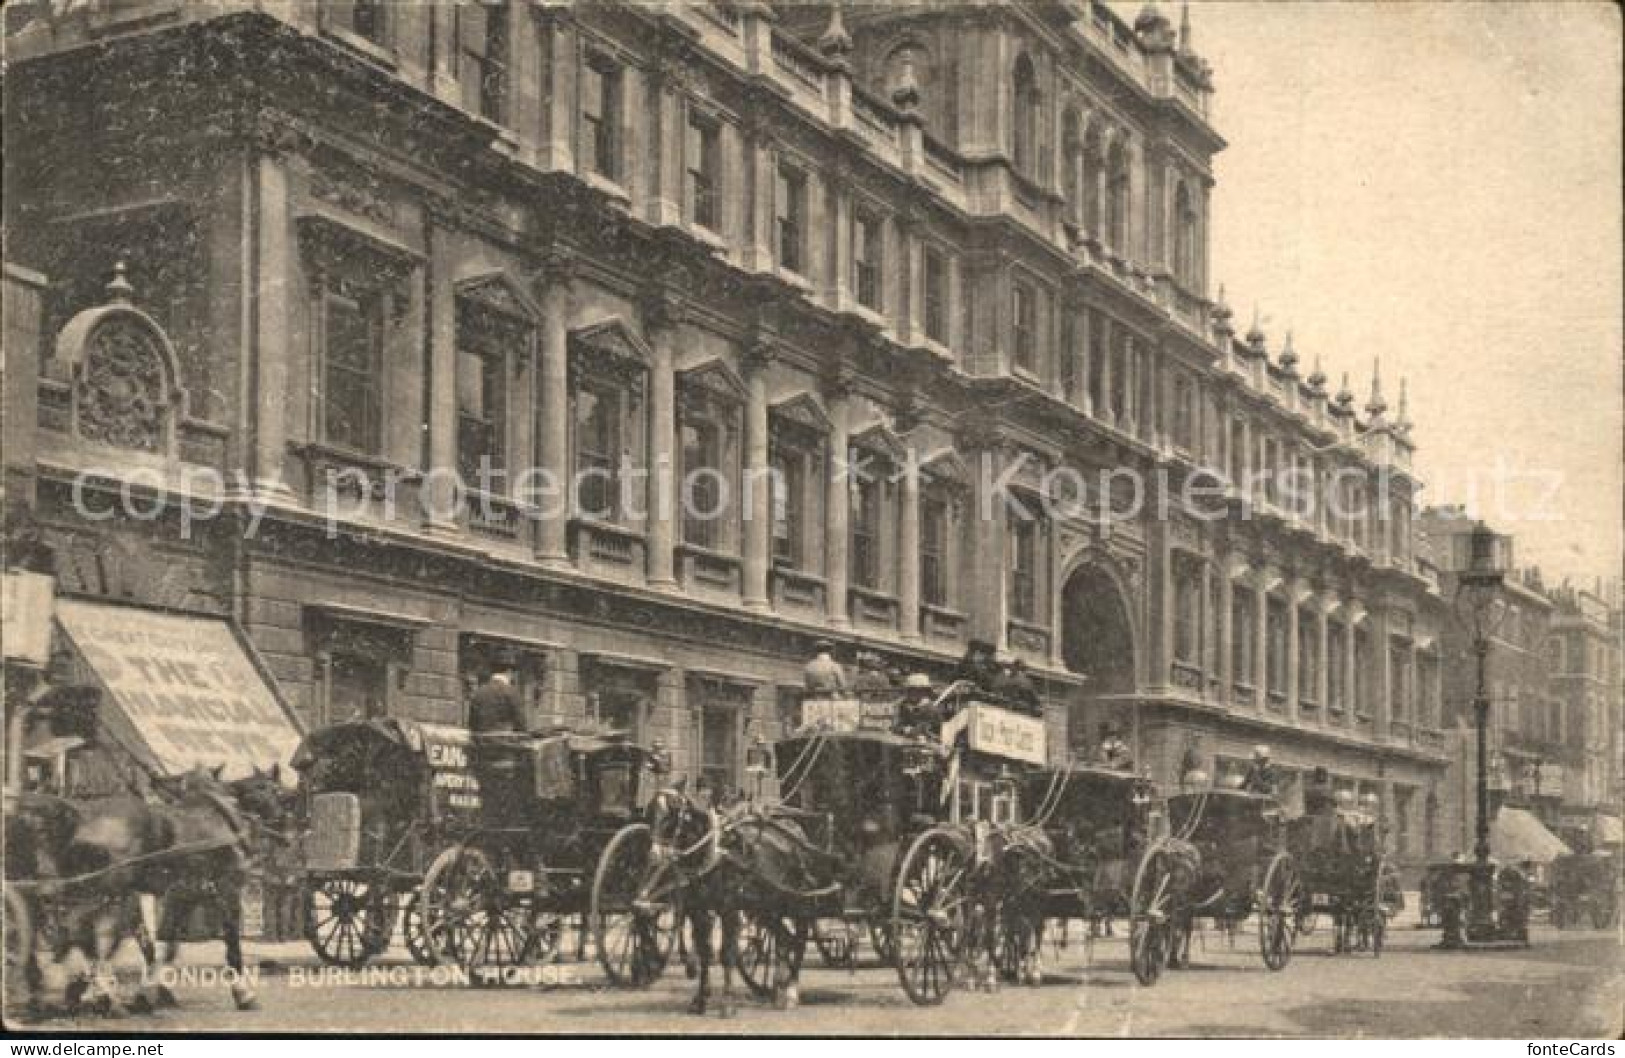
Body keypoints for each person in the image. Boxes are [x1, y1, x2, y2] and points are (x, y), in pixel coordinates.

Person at [468, 649, 525, 734]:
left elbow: (472, 723)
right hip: (504, 744)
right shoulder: (512, 693)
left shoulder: (479, 693)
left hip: (481, 744)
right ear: (509, 671)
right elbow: (521, 725)